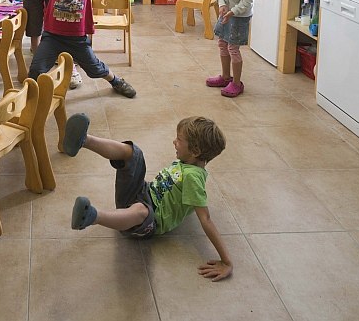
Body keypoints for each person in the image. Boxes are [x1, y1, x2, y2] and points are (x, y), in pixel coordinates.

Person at [64, 112, 233, 281]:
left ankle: (92, 216)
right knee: (134, 153)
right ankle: (83, 140)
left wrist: (226, 261)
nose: (174, 142)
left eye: (179, 140)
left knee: (141, 210)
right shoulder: (186, 162)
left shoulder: (193, 177)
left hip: (150, 221)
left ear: (195, 151)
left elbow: (206, 219)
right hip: (143, 192)